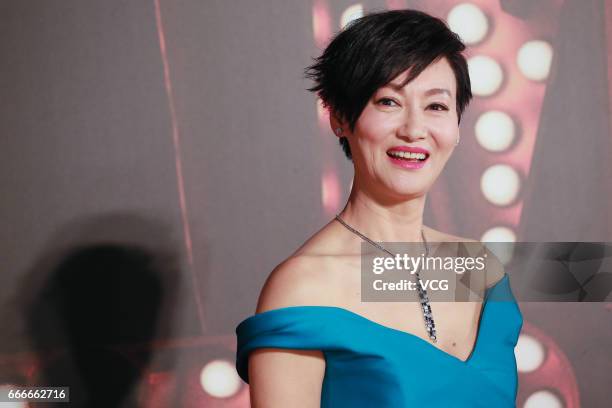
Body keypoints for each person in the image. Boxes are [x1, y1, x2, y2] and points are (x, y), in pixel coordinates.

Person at [235, 9, 523, 407]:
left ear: (457, 124)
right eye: (388, 101)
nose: (413, 129)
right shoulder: (303, 287)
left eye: (436, 106)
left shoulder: (478, 268)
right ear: (339, 117)